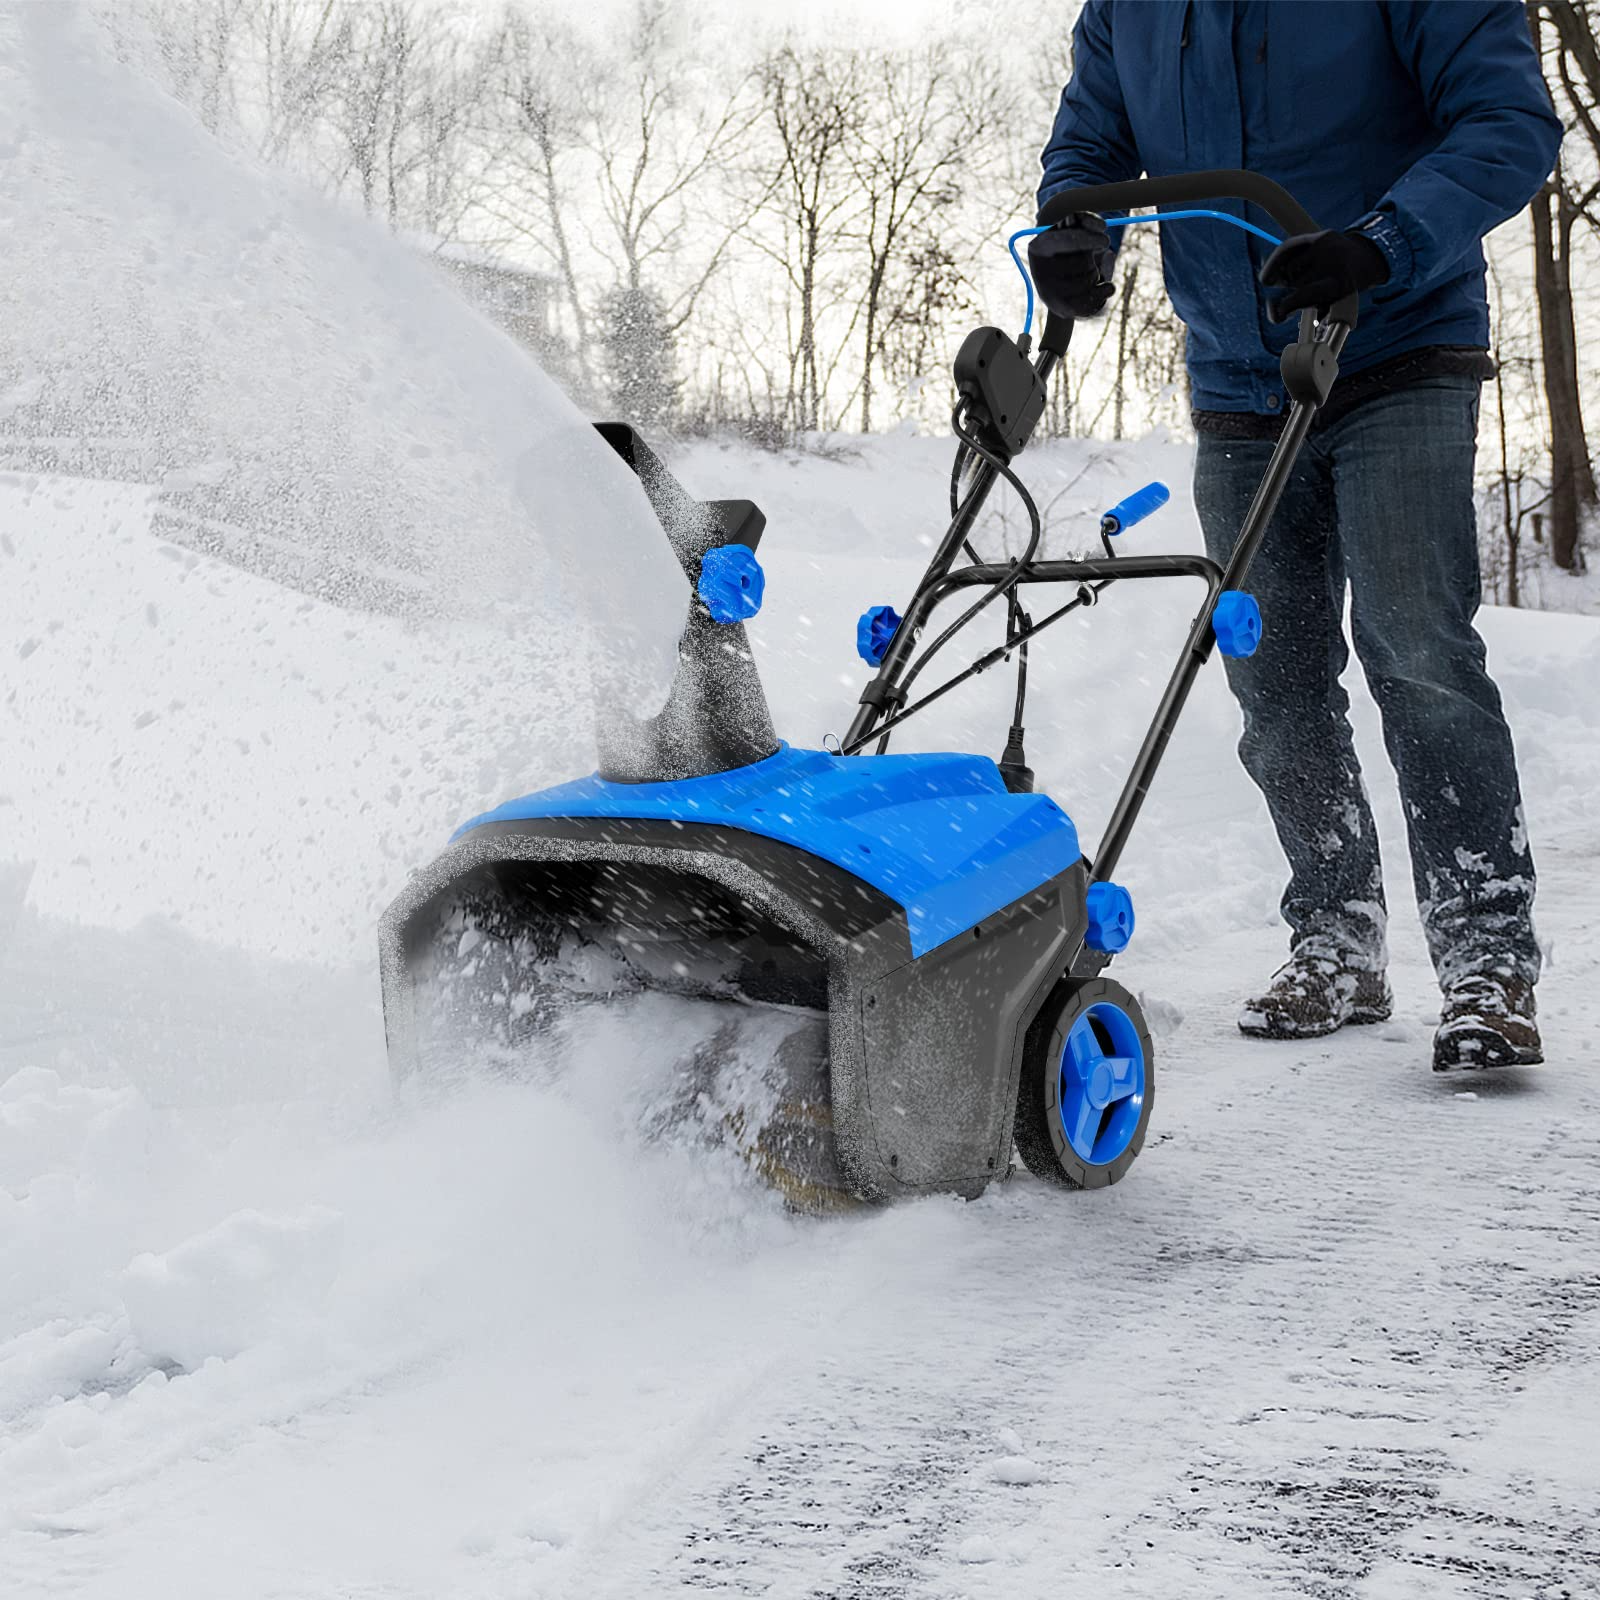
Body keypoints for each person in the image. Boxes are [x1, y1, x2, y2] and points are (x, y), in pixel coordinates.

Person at [1029, 1, 1563, 1070]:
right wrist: (1073, 223)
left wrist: (1383, 241)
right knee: (1271, 675)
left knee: (1418, 652)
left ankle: (1485, 959)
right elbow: (1090, 138)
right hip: (1237, 372)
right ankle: (1335, 935)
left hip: (1397, 340)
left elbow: (1509, 118)